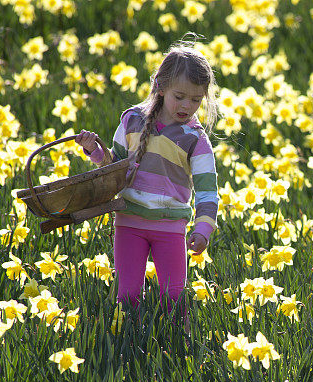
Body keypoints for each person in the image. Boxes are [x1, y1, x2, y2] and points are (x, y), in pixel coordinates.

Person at [74, 40, 220, 313]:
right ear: (160, 87)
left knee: (173, 299)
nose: (187, 106)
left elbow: (207, 191)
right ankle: (127, 340)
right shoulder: (132, 122)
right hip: (129, 223)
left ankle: (175, 343)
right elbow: (112, 168)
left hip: (170, 228)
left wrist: (203, 229)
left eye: (196, 100)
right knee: (127, 296)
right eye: (180, 96)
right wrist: (94, 150)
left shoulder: (196, 140)